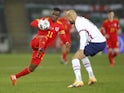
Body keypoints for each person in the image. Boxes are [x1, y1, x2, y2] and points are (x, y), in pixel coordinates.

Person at [10, 8, 70, 86]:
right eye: (53, 14)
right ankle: (40, 49)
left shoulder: (60, 25)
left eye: (56, 15)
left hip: (42, 48)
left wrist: (66, 42)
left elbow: (63, 36)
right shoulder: (45, 20)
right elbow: (32, 23)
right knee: (44, 37)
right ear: (51, 14)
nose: (54, 16)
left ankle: (14, 77)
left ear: (58, 16)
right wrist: (41, 25)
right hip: (36, 42)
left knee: (32, 68)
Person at [65, 10, 106, 88]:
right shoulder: (81, 19)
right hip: (100, 42)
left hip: (96, 43)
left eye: (68, 18)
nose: (68, 20)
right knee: (83, 56)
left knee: (75, 58)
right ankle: (92, 77)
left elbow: (83, 36)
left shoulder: (78, 22)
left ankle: (79, 81)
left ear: (71, 16)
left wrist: (81, 49)